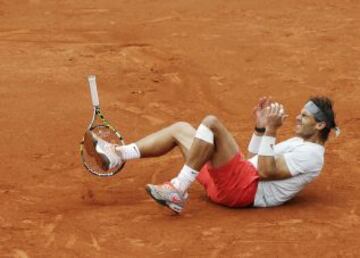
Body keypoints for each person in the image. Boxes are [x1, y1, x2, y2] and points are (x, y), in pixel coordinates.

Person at [84, 96, 339, 213]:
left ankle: (178, 188)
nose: (298, 116)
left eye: (304, 116)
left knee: (212, 123)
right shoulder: (300, 142)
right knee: (182, 129)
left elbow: (266, 171)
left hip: (244, 191)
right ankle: (118, 154)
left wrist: (272, 131)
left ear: (319, 126)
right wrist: (262, 127)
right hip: (234, 182)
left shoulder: (313, 155)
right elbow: (254, 158)